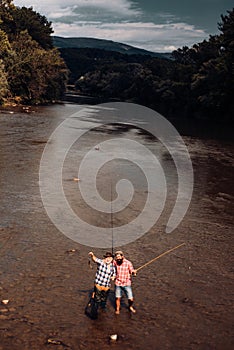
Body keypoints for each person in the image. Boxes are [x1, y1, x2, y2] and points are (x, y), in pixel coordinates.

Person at [86, 251, 116, 319]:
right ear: (105, 258)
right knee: (97, 300)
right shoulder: (101, 262)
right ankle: (94, 315)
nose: (108, 259)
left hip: (106, 287)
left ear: (112, 259)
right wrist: (92, 255)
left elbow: (113, 275)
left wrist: (113, 277)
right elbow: (95, 259)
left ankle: (102, 310)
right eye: (107, 258)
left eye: (110, 258)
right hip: (98, 285)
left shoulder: (113, 267)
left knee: (103, 300)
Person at [114, 250, 137, 315]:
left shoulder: (128, 263)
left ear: (122, 256)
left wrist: (133, 272)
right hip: (118, 283)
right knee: (118, 298)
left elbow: (132, 270)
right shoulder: (115, 262)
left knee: (131, 299)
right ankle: (117, 309)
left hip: (127, 283)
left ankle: (130, 306)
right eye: (117, 257)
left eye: (119, 257)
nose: (118, 258)